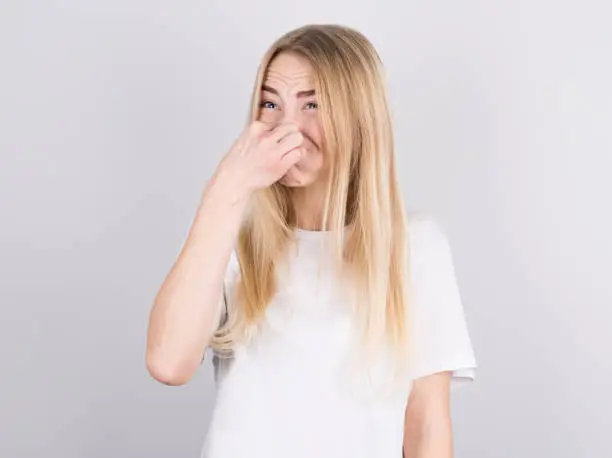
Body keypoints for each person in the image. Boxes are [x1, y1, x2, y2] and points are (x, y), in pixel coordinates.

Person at [146, 24, 477, 458]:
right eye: (270, 103)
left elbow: (427, 427)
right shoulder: (234, 239)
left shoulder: (415, 245)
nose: (287, 127)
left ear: (358, 119)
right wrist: (225, 190)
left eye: (312, 105)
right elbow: (168, 363)